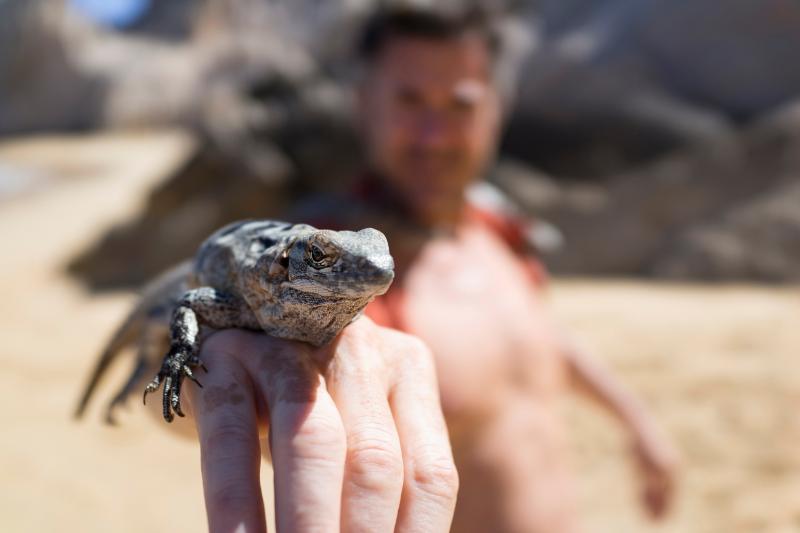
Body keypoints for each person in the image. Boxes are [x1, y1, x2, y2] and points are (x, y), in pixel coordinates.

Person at [291, 6, 679, 532]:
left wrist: (636, 422)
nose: (434, 135)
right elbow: (249, 374)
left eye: (461, 104)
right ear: (363, 105)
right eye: (408, 101)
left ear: (497, 108)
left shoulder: (500, 229)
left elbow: (540, 341)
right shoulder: (334, 271)